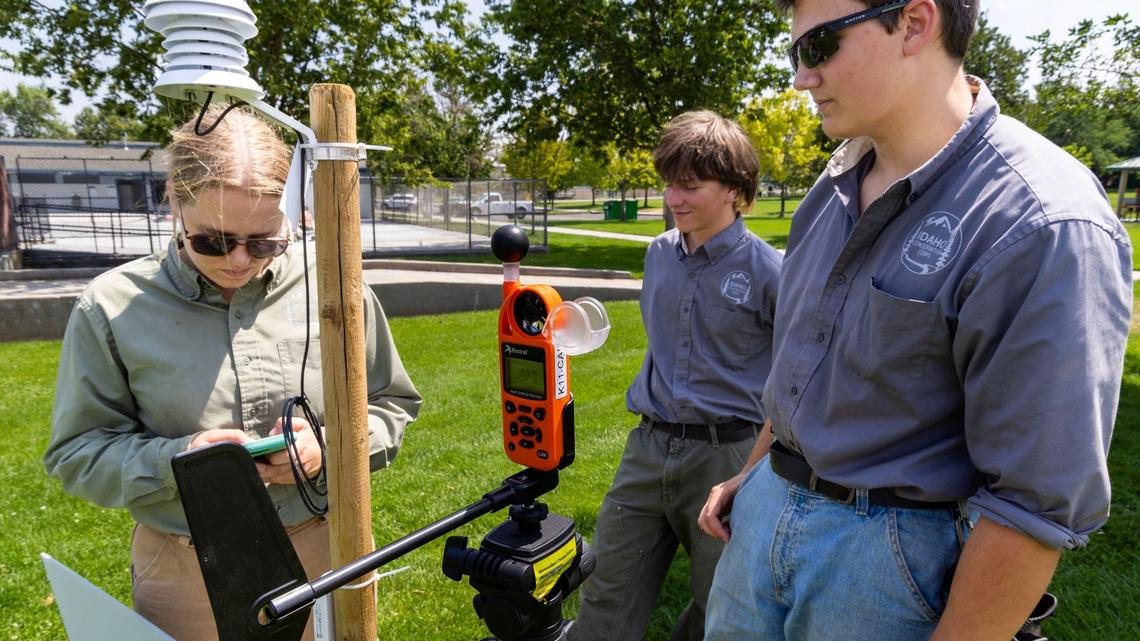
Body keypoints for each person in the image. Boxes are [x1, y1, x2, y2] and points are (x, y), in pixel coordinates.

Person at [697, 2, 1132, 640]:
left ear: (916, 23)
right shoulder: (833, 186)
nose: (800, 77)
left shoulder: (1043, 220)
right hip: (764, 513)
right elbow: (804, 368)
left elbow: (1035, 499)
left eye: (817, 47)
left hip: (889, 561)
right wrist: (753, 474)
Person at [44, 105, 422, 641]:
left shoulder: (336, 284)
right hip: (186, 567)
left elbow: (391, 404)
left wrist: (330, 448)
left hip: (327, 548)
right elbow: (76, 454)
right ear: (175, 199)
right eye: (214, 241)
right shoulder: (111, 306)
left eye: (266, 241)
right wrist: (180, 462)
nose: (240, 261)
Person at [576, 110, 782, 641]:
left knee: (721, 603)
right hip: (646, 448)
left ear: (737, 190)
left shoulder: (771, 273)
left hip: (727, 455)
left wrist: (753, 470)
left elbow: (796, 381)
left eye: (690, 186)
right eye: (669, 184)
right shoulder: (658, 256)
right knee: (605, 588)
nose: (673, 199)